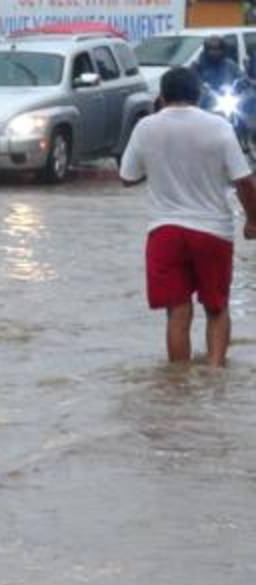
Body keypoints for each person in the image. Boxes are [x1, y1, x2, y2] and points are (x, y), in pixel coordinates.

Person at [120, 67, 256, 367]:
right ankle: (215, 373)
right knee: (216, 308)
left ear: (161, 96)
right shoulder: (219, 127)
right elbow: (244, 181)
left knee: (177, 312)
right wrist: (252, 220)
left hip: (164, 231)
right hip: (212, 232)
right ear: (200, 95)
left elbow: (127, 177)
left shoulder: (145, 128)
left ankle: (179, 385)